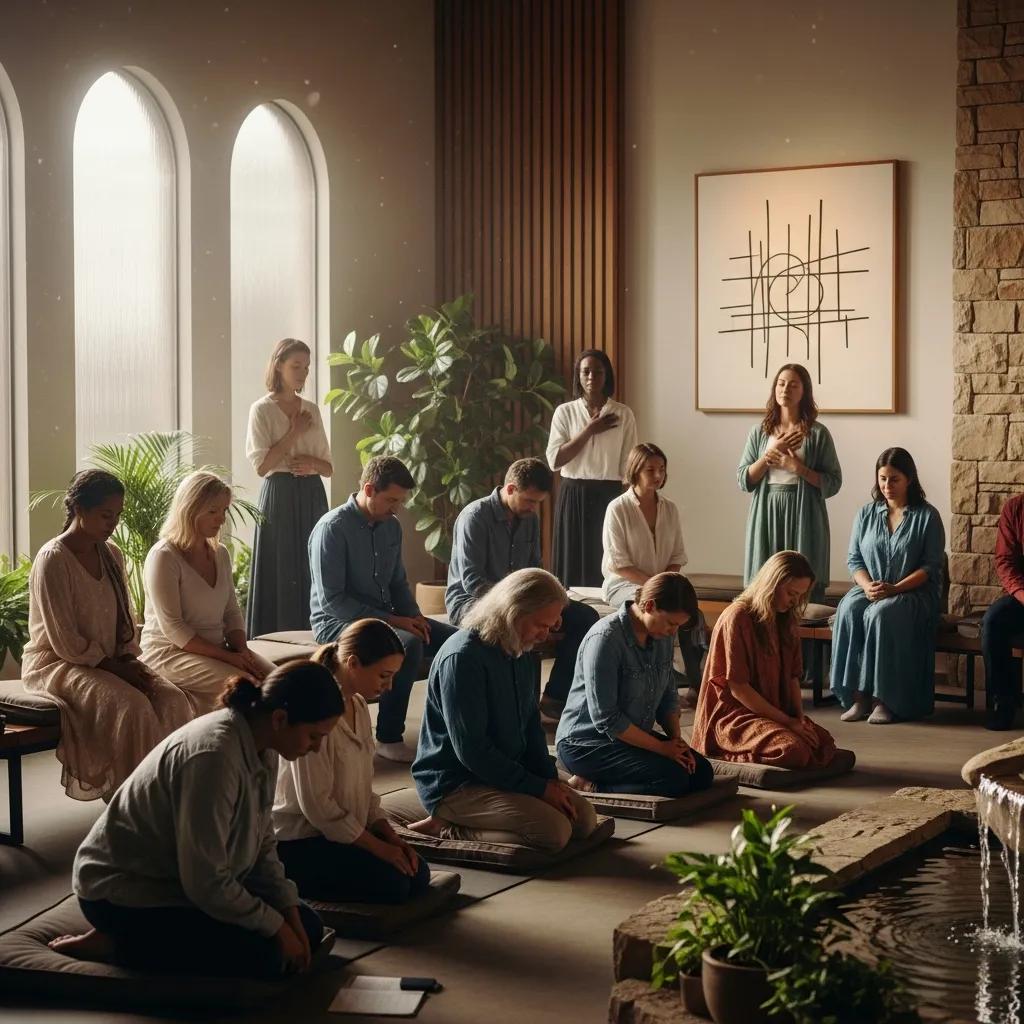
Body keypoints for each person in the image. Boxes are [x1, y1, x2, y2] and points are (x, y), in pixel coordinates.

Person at [49, 660, 341, 977]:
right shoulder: (214, 757)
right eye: (314, 736)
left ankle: (147, 939)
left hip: (181, 883)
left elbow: (263, 844)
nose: (317, 748)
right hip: (124, 894)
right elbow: (207, 883)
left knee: (309, 928)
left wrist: (289, 914)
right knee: (266, 955)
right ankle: (117, 944)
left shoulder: (265, 744)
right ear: (281, 719)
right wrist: (278, 930)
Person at [21, 470, 192, 801]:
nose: (113, 523)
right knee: (132, 706)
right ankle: (133, 803)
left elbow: (127, 619)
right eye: (105, 515)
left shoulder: (112, 554)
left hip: (113, 661)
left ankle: (171, 796)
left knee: (173, 699)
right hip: (57, 663)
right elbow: (65, 641)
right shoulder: (53, 558)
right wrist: (117, 670)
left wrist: (128, 659)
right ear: (80, 509)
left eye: (117, 515)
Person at [406, 568, 598, 852]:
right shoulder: (463, 658)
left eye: (550, 626)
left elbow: (531, 726)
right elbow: (472, 750)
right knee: (554, 833)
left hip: (505, 772)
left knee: (583, 820)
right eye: (540, 625)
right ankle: (447, 826)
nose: (545, 635)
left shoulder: (519, 649)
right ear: (513, 613)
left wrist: (547, 780)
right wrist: (537, 789)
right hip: (458, 783)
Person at [309, 455, 457, 762]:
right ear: (368, 489)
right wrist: (396, 622)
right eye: (391, 500)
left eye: (400, 501)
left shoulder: (391, 527)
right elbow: (332, 602)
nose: (396, 508)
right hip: (337, 621)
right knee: (409, 644)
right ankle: (388, 737)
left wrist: (414, 617)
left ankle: (454, 728)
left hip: (386, 616)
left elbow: (398, 584)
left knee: (460, 641)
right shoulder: (332, 528)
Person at [274, 621, 431, 904]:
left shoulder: (357, 705)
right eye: (384, 675)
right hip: (302, 842)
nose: (390, 685)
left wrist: (389, 835)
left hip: (344, 833)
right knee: (394, 885)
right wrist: (378, 849)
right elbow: (319, 809)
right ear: (353, 663)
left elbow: (363, 790)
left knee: (418, 873)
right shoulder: (315, 712)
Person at [445, 457, 599, 719]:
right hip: (472, 602)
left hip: (523, 601)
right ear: (510, 489)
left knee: (586, 617)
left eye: (538, 502)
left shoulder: (529, 519)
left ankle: (555, 697)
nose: (534, 508)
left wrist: (548, 605)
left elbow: (534, 570)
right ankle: (510, 710)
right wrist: (522, 607)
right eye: (529, 501)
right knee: (517, 622)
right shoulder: (475, 517)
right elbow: (472, 581)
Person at [556, 572, 715, 797]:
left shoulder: (663, 637)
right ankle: (589, 786)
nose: (673, 632)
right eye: (671, 623)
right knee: (673, 780)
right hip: (586, 744)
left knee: (701, 774)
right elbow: (607, 719)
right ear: (649, 605)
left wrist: (676, 742)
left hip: (630, 740)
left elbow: (669, 696)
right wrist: (661, 748)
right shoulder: (605, 639)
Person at [141, 472, 274, 715]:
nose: (221, 519)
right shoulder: (164, 556)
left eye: (224, 511)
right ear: (190, 509)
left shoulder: (220, 553)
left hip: (218, 648)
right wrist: (229, 658)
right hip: (169, 654)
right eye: (213, 511)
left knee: (282, 682)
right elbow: (174, 629)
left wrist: (242, 651)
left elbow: (232, 611)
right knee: (250, 689)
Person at [691, 551, 837, 769]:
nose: (794, 601)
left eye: (800, 596)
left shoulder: (787, 620)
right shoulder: (737, 616)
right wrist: (787, 723)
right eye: (790, 593)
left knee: (823, 744)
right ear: (773, 584)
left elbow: (792, 678)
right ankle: (721, 755)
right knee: (793, 750)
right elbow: (739, 688)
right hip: (736, 717)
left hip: (775, 715)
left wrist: (798, 720)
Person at [831, 448, 945, 724]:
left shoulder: (927, 516)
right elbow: (854, 558)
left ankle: (886, 699)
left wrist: (894, 589)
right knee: (849, 608)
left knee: (881, 614)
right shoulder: (866, 514)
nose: (886, 486)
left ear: (909, 479)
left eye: (894, 479)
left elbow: (930, 567)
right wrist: (868, 586)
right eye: (882, 479)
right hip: (872, 587)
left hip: (913, 592)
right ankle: (859, 697)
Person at [601, 442, 708, 695]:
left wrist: (665, 583)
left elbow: (677, 556)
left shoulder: (669, 508)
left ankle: (696, 684)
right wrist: (654, 586)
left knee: (694, 615)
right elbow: (619, 564)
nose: (658, 475)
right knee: (658, 613)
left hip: (662, 584)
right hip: (624, 585)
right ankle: (661, 686)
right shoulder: (618, 508)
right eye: (651, 470)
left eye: (662, 469)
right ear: (636, 470)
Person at [245, 338, 333, 638]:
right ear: (278, 365)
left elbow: (329, 468)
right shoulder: (261, 410)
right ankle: (274, 640)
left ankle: (315, 636)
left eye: (306, 367)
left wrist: (311, 463)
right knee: (279, 567)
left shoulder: (311, 409)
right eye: (296, 366)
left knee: (314, 566)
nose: (302, 373)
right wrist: (294, 433)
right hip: (278, 495)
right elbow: (262, 466)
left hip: (311, 494)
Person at [738, 363, 842, 603]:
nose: (785, 389)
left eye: (794, 384)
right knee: (765, 587)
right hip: (767, 511)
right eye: (781, 383)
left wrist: (798, 468)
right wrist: (769, 457)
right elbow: (744, 479)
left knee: (802, 587)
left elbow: (834, 481)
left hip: (804, 513)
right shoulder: (759, 432)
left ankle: (803, 640)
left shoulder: (818, 434)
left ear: (804, 391)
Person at [546, 349, 638, 588]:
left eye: (598, 372)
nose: (591, 377)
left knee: (606, 560)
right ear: (578, 375)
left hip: (609, 494)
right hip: (573, 492)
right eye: (585, 372)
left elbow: (628, 467)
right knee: (572, 561)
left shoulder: (623, 414)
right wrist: (589, 430)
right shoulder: (564, 412)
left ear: (607, 376)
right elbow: (555, 460)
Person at [982, 493, 1024, 730]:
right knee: (993, 621)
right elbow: (1006, 563)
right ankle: (1003, 703)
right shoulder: (1016, 508)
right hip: (1023, 596)